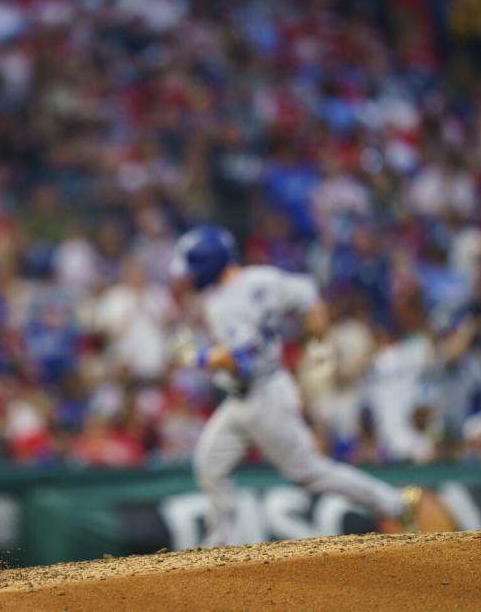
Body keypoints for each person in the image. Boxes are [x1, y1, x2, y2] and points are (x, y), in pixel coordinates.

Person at [168, 225, 421, 548]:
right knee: (210, 463)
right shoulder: (264, 278)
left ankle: (396, 504)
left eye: (192, 269)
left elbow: (241, 359)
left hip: (263, 398)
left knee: (309, 472)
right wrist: (316, 344)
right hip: (251, 395)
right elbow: (310, 297)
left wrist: (195, 356)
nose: (188, 277)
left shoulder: (223, 305)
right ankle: (219, 547)